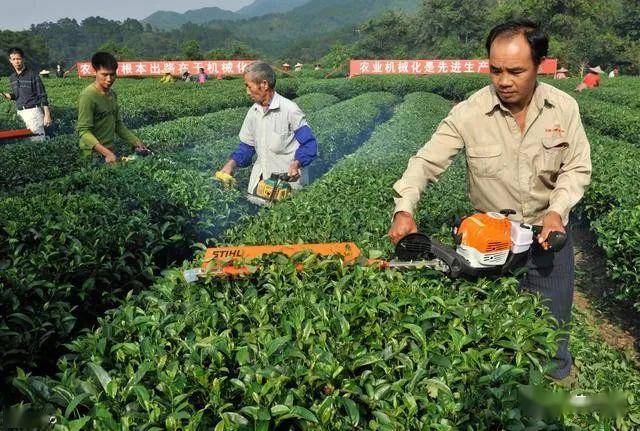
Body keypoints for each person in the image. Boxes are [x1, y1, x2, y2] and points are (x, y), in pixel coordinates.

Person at [388, 20, 591, 380]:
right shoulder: (469, 113)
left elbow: (576, 168)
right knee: (493, 342)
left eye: (515, 71)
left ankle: (554, 396)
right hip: (492, 243)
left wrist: (557, 212)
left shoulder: (564, 108)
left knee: (552, 336)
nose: (503, 80)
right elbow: (425, 162)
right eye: (495, 70)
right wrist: (404, 208)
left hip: (549, 238)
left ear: (540, 65)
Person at [215, 61, 318, 195]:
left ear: (264, 84)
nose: (247, 92)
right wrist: (230, 165)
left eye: (249, 86)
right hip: (261, 183)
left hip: (287, 184)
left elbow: (309, 143)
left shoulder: (290, 110)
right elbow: (247, 147)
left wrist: (297, 163)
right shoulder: (253, 112)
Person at [76, 52, 148, 165]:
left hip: (109, 150)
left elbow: (118, 124)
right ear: (95, 72)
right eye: (104, 74)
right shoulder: (88, 96)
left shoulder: (112, 94)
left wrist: (135, 141)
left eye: (112, 74)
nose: (109, 79)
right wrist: (106, 153)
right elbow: (83, 131)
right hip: (92, 154)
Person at [1, 47, 52, 141]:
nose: (17, 62)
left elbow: (42, 95)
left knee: (38, 142)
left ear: (23, 59)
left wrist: (47, 115)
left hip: (33, 112)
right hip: (20, 113)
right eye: (14, 59)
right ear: (10, 61)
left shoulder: (33, 75)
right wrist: (6, 95)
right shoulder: (12, 78)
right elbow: (17, 96)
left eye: (19, 59)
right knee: (26, 145)